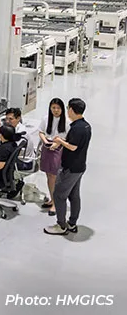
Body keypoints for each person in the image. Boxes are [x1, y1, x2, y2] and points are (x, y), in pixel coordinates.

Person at [44, 98, 91, 236]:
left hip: (70, 168)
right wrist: (63, 141)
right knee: (74, 196)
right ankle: (72, 223)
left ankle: (61, 225)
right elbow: (75, 143)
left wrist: (59, 141)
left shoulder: (77, 128)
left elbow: (73, 147)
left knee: (59, 194)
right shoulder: (86, 126)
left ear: (71, 109)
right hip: (80, 166)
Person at [38, 98, 68, 216]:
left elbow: (68, 137)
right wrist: (45, 140)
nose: (55, 110)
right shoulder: (46, 119)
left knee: (54, 177)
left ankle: (56, 203)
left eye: (58, 108)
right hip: (47, 148)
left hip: (58, 150)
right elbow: (41, 132)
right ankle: (52, 199)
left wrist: (58, 143)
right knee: (48, 175)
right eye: (53, 108)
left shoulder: (66, 122)